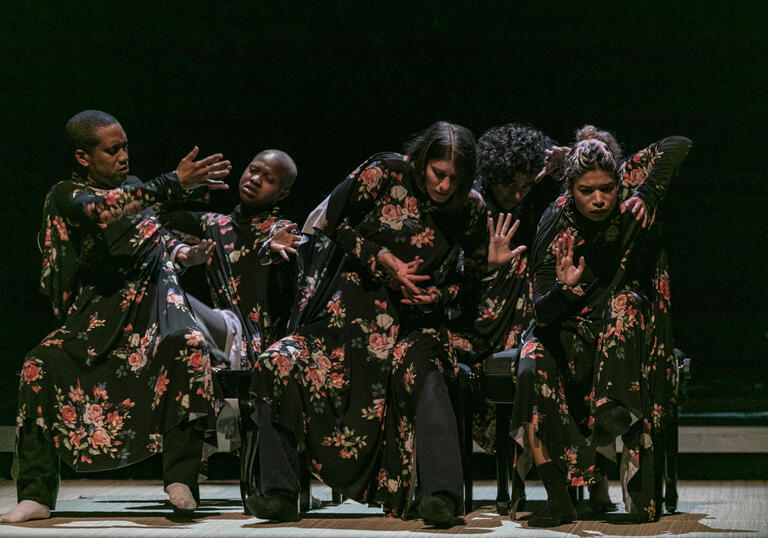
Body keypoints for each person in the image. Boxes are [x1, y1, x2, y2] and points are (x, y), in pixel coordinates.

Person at [250, 121, 490, 527]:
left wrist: (438, 296)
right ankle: (278, 492)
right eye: (438, 173)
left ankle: (441, 496)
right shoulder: (385, 172)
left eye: (456, 178)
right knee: (277, 361)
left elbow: (472, 279)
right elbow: (331, 223)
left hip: (416, 323)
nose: (446, 186)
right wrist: (382, 259)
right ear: (421, 161)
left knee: (425, 373)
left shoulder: (470, 207)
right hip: (347, 313)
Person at [0, 110, 232, 523]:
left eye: (126, 145)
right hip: (96, 319)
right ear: (83, 156)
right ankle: (36, 492)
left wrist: (186, 254)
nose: (124, 155)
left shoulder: (136, 191)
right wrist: (171, 183)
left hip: (151, 320)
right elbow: (105, 212)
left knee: (189, 348)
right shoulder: (66, 194)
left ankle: (181, 479)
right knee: (39, 362)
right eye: (113, 149)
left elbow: (152, 240)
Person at [511, 125, 691, 526]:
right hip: (563, 331)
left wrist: (646, 192)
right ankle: (559, 500)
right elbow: (540, 312)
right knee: (531, 364)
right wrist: (564, 288)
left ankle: (614, 412)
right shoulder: (556, 219)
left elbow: (678, 143)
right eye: (586, 190)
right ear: (570, 188)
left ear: (619, 181)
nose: (598, 198)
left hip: (616, 334)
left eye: (607, 188)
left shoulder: (630, 198)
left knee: (626, 304)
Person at [164, 149, 300, 370]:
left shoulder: (280, 230)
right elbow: (149, 218)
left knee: (169, 296)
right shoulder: (214, 226)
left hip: (257, 351)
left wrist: (273, 249)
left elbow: (289, 239)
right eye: (253, 170)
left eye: (269, 179)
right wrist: (181, 185)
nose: (255, 180)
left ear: (282, 194)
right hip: (225, 333)